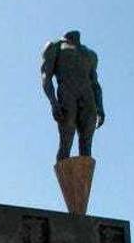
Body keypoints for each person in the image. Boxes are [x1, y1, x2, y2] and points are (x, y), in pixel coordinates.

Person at [41, 30, 105, 160]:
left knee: (86, 147)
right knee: (66, 142)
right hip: (67, 95)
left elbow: (95, 84)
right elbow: (46, 77)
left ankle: (83, 180)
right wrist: (53, 103)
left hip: (87, 99)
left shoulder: (90, 54)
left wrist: (100, 107)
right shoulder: (55, 47)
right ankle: (65, 179)